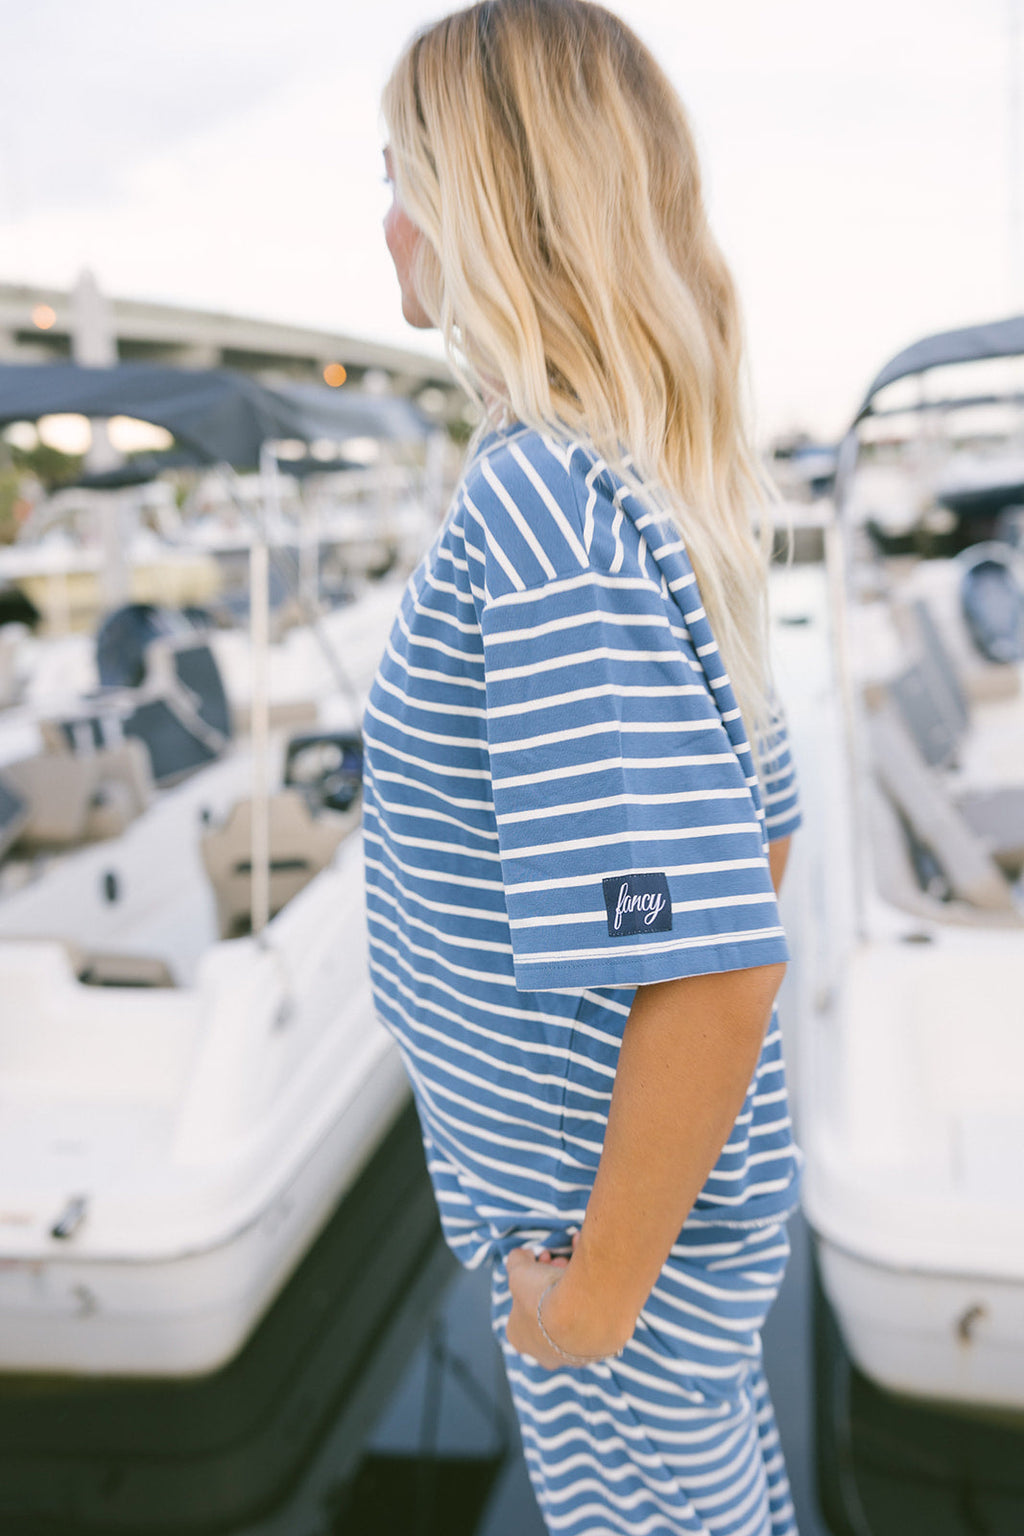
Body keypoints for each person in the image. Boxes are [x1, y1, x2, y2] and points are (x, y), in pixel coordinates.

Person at [365, 3, 803, 1532]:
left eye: (399, 169)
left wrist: (593, 1300)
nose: (388, 220)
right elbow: (766, 845)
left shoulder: (540, 518)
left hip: (598, 1233)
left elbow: (717, 965)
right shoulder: (635, 488)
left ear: (476, 199)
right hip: (634, 1209)